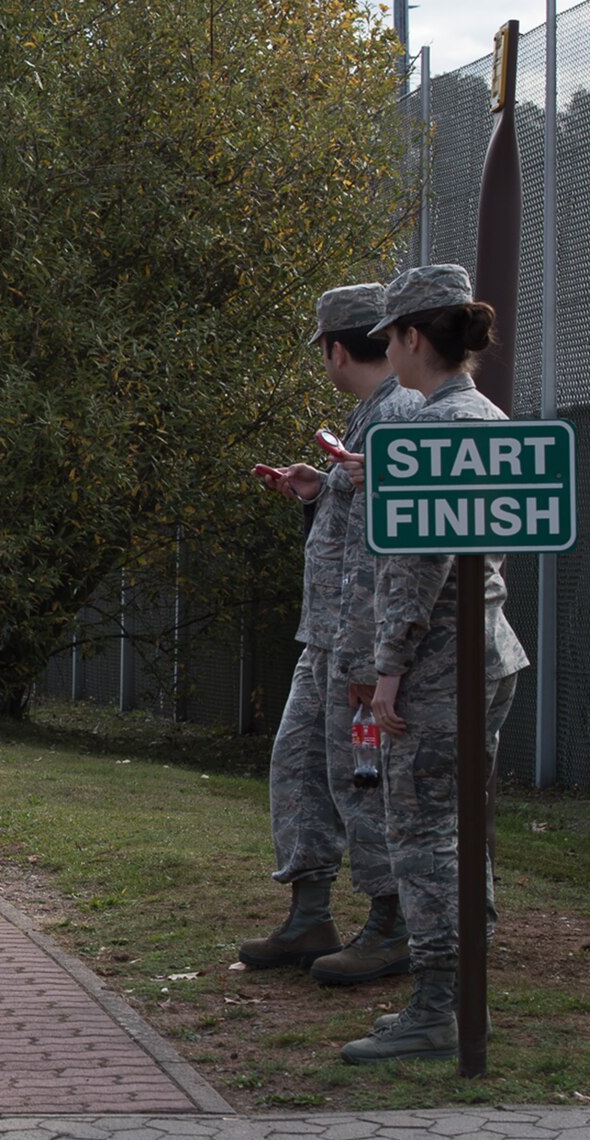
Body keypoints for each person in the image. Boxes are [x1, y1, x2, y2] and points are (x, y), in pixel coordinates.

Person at [339, 263, 530, 1065]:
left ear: (414, 338)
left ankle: (438, 1003)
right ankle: (462, 995)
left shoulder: (426, 431)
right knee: (468, 828)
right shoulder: (488, 416)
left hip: (434, 668)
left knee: (422, 832)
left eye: (390, 337)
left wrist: (385, 676)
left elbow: (412, 571)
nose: (390, 351)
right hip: (491, 653)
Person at [238, 284, 420, 984]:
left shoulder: (398, 415)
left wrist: (376, 660)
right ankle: (309, 911)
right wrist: (322, 489)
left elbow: (393, 551)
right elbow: (363, 520)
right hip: (328, 639)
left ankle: (391, 921)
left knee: (363, 778)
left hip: (361, 647)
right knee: (299, 768)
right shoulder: (370, 416)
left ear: (337, 349)